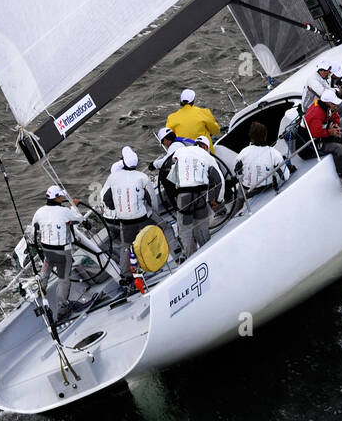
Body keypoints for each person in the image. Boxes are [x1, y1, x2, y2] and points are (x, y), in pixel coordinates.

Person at [30, 184, 103, 323]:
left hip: (46, 249)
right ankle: (63, 308)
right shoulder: (64, 212)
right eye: (61, 195)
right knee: (64, 279)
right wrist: (73, 206)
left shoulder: (39, 211)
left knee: (47, 265)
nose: (63, 196)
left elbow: (36, 225)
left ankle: (41, 288)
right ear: (57, 198)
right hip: (62, 253)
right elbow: (79, 219)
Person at [102, 146, 157, 288]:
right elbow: (151, 198)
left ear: (124, 162)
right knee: (148, 240)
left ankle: (126, 275)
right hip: (142, 218)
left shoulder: (113, 178)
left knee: (126, 247)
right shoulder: (142, 177)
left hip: (125, 221)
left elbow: (106, 199)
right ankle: (153, 263)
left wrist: (117, 208)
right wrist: (152, 212)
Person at [162, 132, 223, 256]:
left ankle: (191, 258)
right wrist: (217, 199)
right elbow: (219, 179)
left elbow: (169, 167)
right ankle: (208, 253)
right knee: (201, 226)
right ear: (205, 147)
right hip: (200, 193)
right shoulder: (207, 157)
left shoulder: (181, 151)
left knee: (185, 231)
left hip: (183, 195)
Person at [235, 120, 289, 194]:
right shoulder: (274, 153)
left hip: (249, 190)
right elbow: (285, 176)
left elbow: (238, 174)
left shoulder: (242, 153)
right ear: (265, 135)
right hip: (267, 186)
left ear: (251, 137)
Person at [165, 88, 221, 152]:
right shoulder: (204, 112)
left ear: (181, 101)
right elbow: (216, 131)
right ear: (194, 100)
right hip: (204, 151)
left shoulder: (171, 117)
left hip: (183, 154)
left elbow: (168, 139)